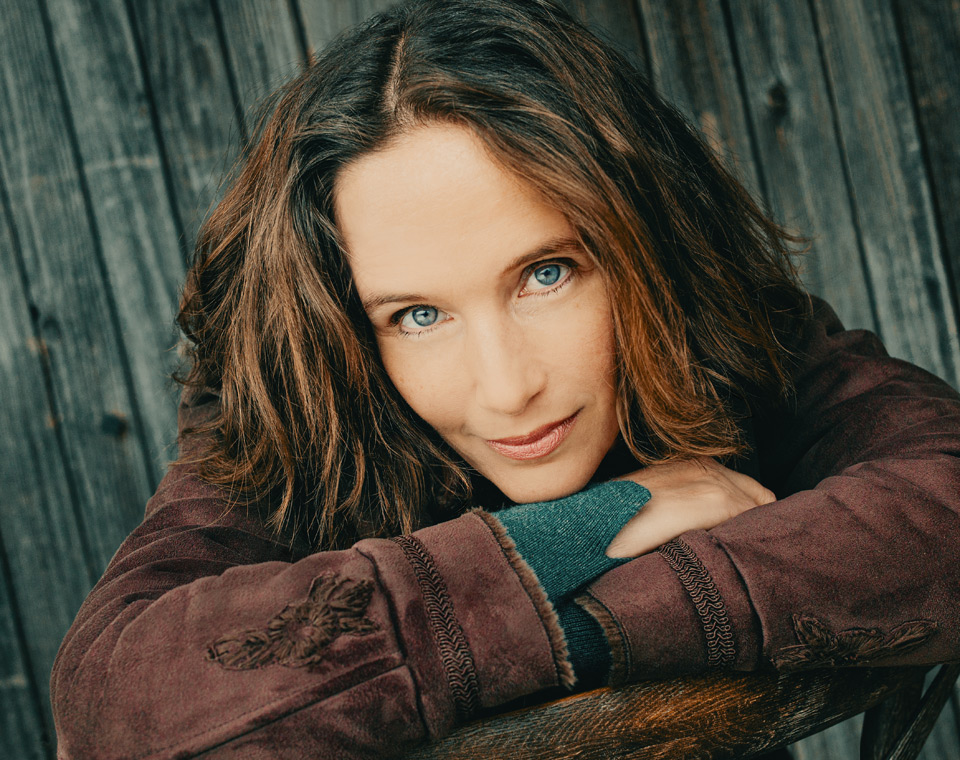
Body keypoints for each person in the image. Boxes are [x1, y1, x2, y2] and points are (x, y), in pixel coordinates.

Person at [50, 1, 960, 758]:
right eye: (417, 315)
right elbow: (112, 707)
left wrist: (579, 627)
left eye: (546, 274)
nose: (506, 387)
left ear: (644, 244)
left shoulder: (719, 331)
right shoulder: (289, 404)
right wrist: (582, 541)